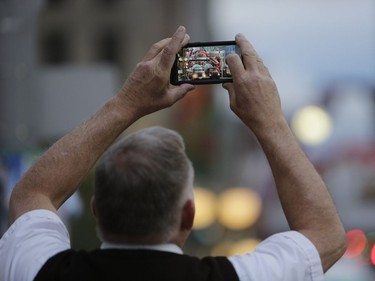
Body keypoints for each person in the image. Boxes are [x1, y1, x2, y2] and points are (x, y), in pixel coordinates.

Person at [0, 26, 346, 281]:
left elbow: (32, 194)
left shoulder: (41, 271)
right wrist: (271, 121)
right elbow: (326, 237)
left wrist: (126, 103)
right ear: (188, 215)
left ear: (96, 211)